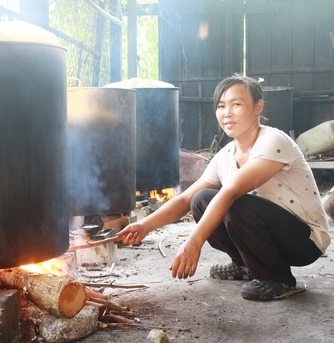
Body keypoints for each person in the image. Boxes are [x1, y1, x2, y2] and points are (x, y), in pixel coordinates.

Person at [116, 75, 330, 301]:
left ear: (258, 107)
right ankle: (246, 265)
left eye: (236, 104)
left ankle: (278, 279)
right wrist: (144, 226)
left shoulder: (273, 141)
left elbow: (231, 192)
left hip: (304, 240)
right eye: (221, 106)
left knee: (235, 202)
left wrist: (193, 243)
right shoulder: (225, 155)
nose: (227, 113)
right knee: (201, 200)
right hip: (273, 234)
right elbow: (185, 199)